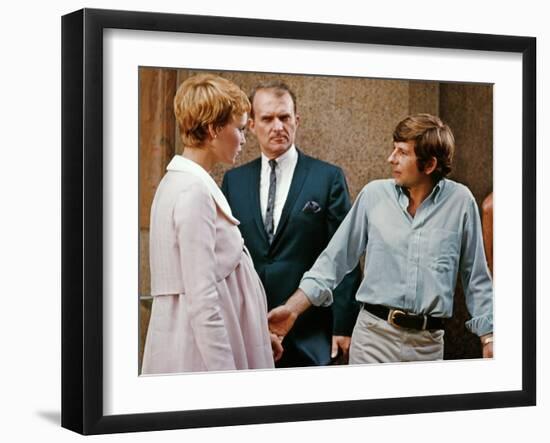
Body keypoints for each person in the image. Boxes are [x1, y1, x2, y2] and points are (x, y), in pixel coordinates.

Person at [268, 113, 494, 364]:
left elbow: (476, 278)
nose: (391, 159)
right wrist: (292, 309)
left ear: (429, 165)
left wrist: (490, 338)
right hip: (373, 341)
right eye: (393, 149)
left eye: (402, 152)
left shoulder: (461, 202)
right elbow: (333, 261)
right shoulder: (374, 195)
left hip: (428, 347)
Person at [141, 74, 282, 374]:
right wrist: (225, 378)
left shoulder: (183, 183)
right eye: (240, 129)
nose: (245, 139)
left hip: (204, 344)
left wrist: (254, 333)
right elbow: (203, 299)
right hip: (199, 356)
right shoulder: (193, 191)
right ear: (213, 129)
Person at [221, 81, 361, 368]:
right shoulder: (234, 182)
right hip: (250, 327)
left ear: (297, 120)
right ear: (251, 125)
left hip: (312, 333)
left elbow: (344, 254)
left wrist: (344, 325)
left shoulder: (327, 177)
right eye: (267, 118)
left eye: (284, 117)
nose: (277, 126)